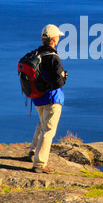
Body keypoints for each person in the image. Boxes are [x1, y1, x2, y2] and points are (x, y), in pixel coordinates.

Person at [28, 24, 67, 173]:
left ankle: (32, 152)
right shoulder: (53, 57)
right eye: (58, 37)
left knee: (42, 124)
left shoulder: (36, 53)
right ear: (54, 39)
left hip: (38, 98)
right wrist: (64, 77)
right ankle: (39, 164)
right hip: (52, 98)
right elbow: (58, 81)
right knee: (49, 130)